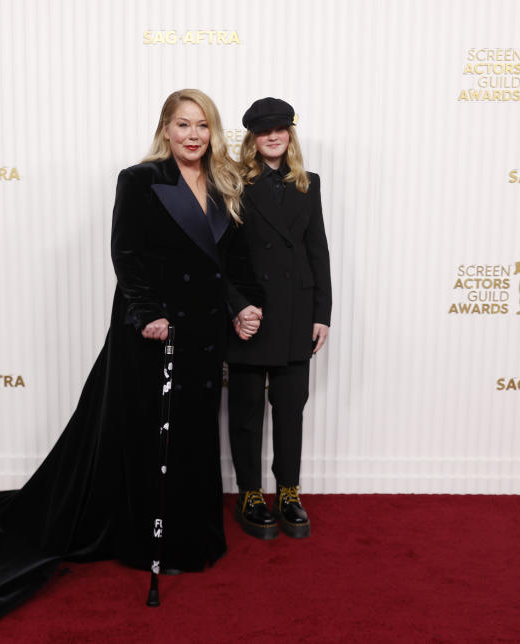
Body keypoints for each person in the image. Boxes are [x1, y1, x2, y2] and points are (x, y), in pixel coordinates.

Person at [0, 89, 263, 629]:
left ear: (213, 131)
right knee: (150, 434)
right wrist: (147, 311)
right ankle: (145, 542)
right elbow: (126, 253)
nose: (193, 135)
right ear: (165, 128)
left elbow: (229, 263)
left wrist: (242, 307)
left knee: (196, 431)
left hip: (204, 333)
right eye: (182, 124)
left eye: (202, 125)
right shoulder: (140, 180)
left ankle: (195, 537)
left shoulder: (228, 185)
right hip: (154, 331)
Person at [227, 98, 332, 540]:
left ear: (290, 133)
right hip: (252, 312)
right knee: (247, 410)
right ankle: (250, 492)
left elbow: (317, 249)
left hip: (295, 310)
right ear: (252, 138)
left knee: (291, 409)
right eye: (264, 130)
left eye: (281, 128)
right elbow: (223, 256)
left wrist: (321, 313)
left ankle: (289, 490)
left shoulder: (309, 183)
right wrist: (235, 306)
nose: (273, 136)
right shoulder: (230, 182)